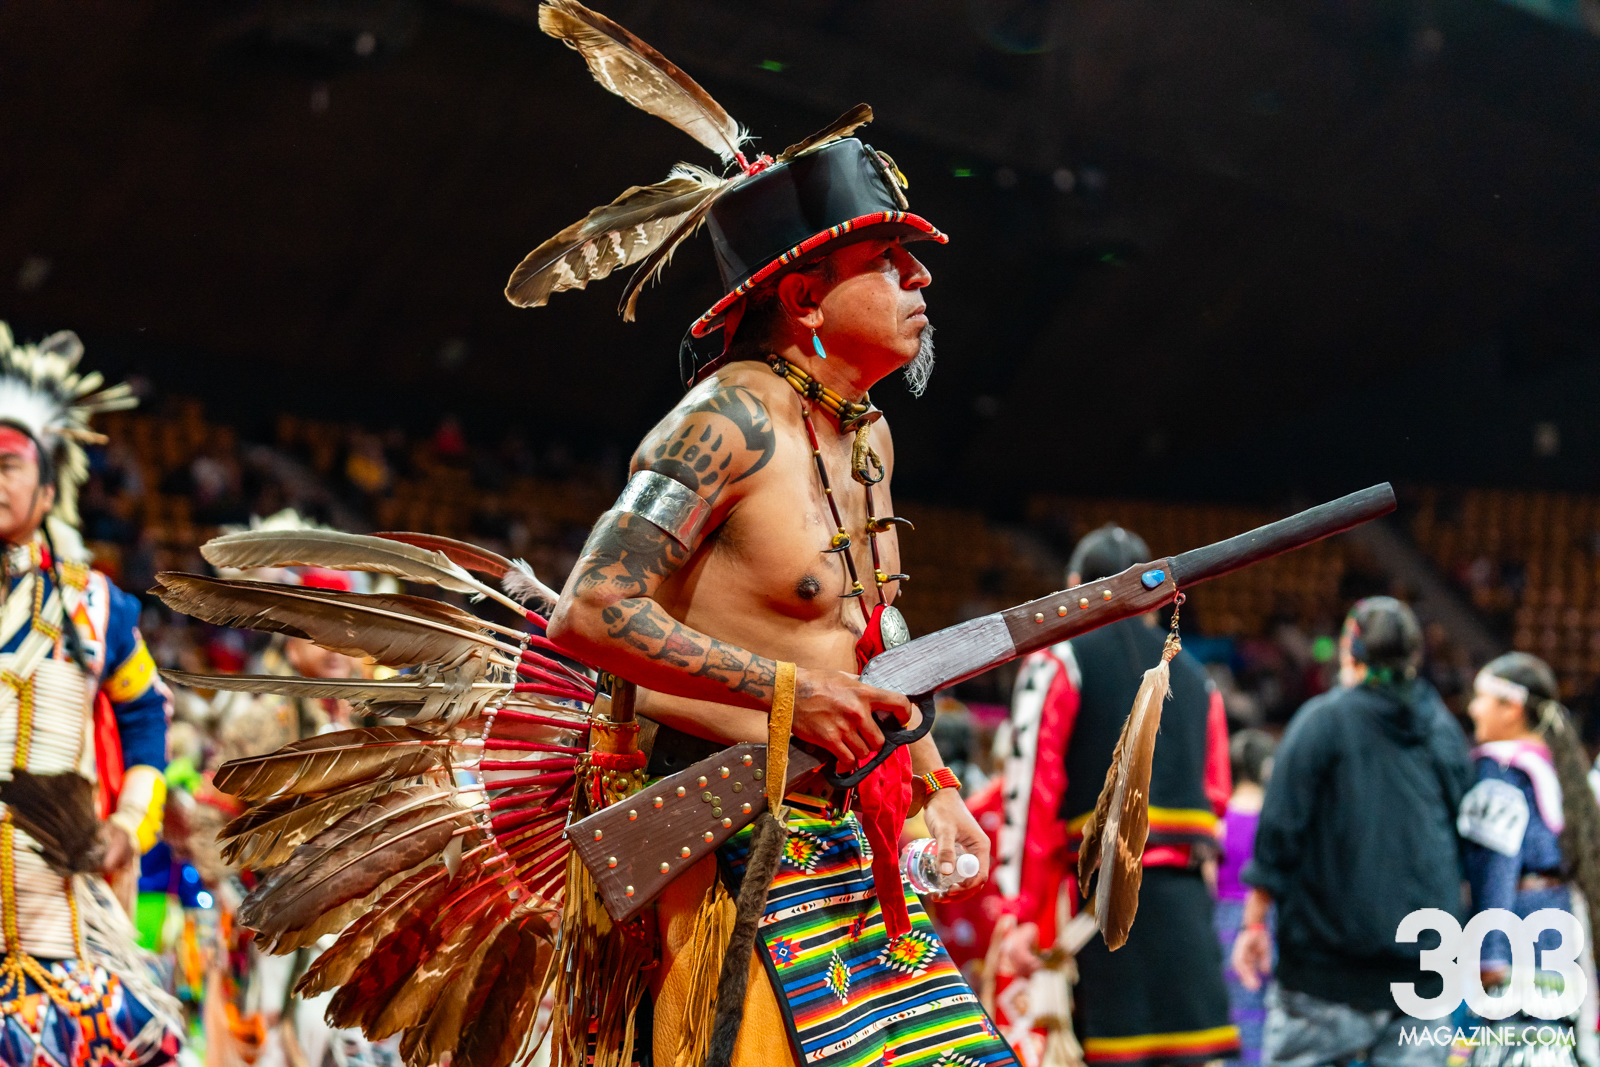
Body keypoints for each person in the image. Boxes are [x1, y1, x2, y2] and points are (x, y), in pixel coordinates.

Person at [987, 524, 1239, 1067]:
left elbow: (1031, 794)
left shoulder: (1057, 662)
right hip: (1186, 913)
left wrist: (1020, 911)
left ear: (1074, 586)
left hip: (1099, 910)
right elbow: (1216, 795)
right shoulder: (1201, 679)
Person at [0, 323, 183, 1067]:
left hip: (57, 933)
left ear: (48, 490)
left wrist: (129, 824)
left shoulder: (94, 609)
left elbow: (146, 716)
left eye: (9, 465)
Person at [1231, 596, 1473, 1067]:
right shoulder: (1444, 731)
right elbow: (1464, 836)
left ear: (1351, 650)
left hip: (1327, 969)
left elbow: (1279, 833)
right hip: (1424, 971)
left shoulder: (1322, 721)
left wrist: (1254, 923)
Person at [1458, 652, 1600, 1067]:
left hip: (1515, 942)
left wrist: (1489, 952)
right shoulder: (1556, 765)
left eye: (1482, 698)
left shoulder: (1502, 770)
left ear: (1512, 708)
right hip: (1560, 932)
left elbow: (1497, 868)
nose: (1473, 709)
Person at [1215, 729, 1275, 1067]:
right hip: (1266, 919)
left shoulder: (1219, 821)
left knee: (1234, 1009)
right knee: (1268, 1006)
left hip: (1223, 922)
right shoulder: (1274, 819)